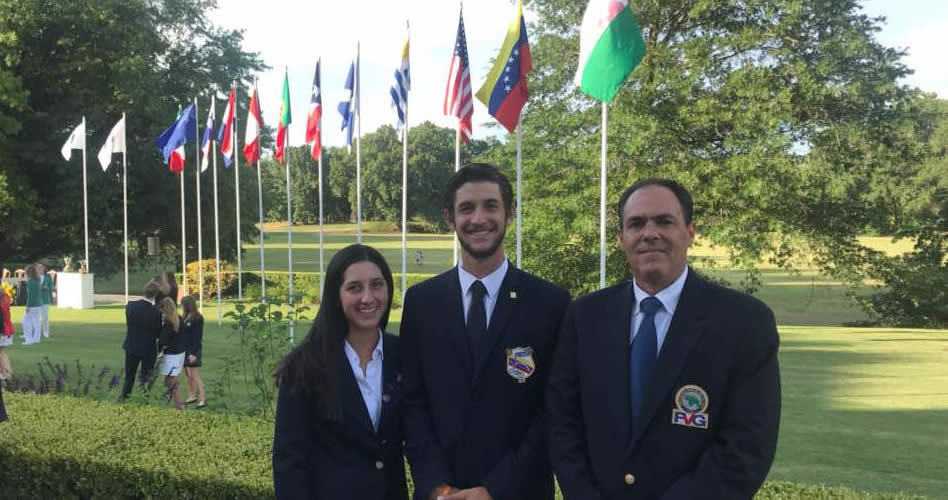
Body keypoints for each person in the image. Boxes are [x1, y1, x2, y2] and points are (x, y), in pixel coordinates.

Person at [547, 178, 781, 500]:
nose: (649, 233)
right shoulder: (584, 318)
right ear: (621, 238)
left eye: (664, 221)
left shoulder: (744, 323)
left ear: (691, 232)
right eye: (636, 224)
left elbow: (746, 445)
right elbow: (563, 425)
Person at [400, 163, 570, 500]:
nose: (479, 218)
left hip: (519, 492)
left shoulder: (550, 302)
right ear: (450, 219)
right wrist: (437, 486)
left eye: (491, 206)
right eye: (467, 208)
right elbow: (412, 403)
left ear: (510, 214)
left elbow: (555, 409)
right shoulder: (422, 302)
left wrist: (496, 489)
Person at [272, 244, 408, 500]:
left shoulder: (404, 357)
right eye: (354, 287)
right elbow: (289, 464)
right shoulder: (304, 366)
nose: (368, 297)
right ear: (336, 295)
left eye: (377, 285)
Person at [121, 281, 162, 400]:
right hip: (148, 348)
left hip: (132, 345)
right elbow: (158, 333)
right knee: (145, 377)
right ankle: (143, 398)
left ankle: (124, 397)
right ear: (156, 295)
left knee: (129, 376)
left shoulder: (130, 306)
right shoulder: (156, 312)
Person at [158, 297, 187, 410]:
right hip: (180, 353)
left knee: (171, 381)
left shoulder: (168, 323)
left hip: (171, 355)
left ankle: (179, 405)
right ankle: (172, 401)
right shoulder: (180, 319)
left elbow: (162, 341)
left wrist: (160, 349)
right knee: (170, 379)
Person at [180, 296, 206, 408]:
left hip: (193, 349)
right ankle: (192, 395)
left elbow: (197, 337)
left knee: (195, 374)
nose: (181, 306)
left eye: (182, 304)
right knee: (187, 373)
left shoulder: (198, 318)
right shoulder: (185, 317)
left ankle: (202, 398)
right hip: (184, 349)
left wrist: (194, 354)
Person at [22, 264, 42, 345]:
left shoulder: (30, 282)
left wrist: (27, 306)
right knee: (37, 322)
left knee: (26, 321)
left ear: (28, 273)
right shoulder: (38, 280)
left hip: (32, 304)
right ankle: (36, 339)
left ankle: (28, 340)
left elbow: (30, 295)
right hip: (38, 303)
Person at [0, 283, 15, 380]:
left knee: (1, 352)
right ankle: (5, 372)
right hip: (7, 330)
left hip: (3, 330)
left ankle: (7, 373)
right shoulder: (6, 298)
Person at [39, 263, 54, 339]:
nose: (40, 269)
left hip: (45, 300)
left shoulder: (48, 277)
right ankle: (36, 333)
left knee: (45, 317)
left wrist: (47, 288)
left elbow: (51, 286)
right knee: (36, 318)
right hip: (36, 300)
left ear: (44, 268)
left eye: (42, 267)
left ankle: (46, 332)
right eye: (39, 267)